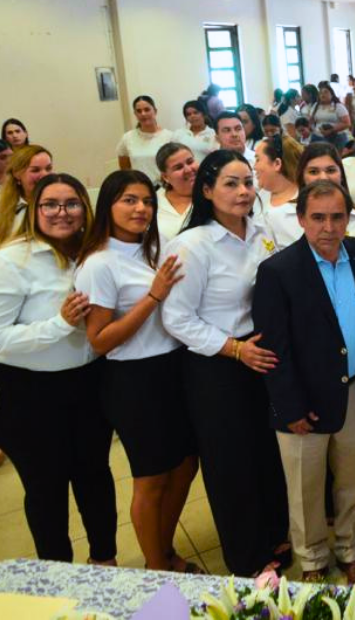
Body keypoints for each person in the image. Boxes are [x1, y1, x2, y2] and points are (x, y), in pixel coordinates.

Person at [161, 150, 290, 577]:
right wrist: (234, 349)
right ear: (207, 190)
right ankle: (248, 558)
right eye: (231, 183)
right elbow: (177, 318)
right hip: (216, 365)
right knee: (230, 462)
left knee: (265, 452)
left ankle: (274, 532)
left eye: (248, 182)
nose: (242, 192)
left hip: (261, 356)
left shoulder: (261, 232)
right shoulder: (192, 244)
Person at [254, 180, 355, 587]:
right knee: (306, 489)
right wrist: (289, 407)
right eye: (318, 217)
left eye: (337, 217)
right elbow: (274, 347)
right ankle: (312, 559)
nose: (328, 227)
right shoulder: (278, 271)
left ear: (350, 218)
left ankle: (351, 550)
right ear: (302, 219)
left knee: (352, 480)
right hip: (302, 402)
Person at [74, 171, 200, 574]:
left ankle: (164, 549)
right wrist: (154, 296)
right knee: (151, 478)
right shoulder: (99, 263)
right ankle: (156, 566)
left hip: (172, 367)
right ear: (108, 205)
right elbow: (101, 339)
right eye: (129, 200)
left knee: (185, 465)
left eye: (146, 200)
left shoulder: (150, 250)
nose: (141, 208)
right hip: (133, 379)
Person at [0, 174, 118, 566]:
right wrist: (59, 325)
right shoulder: (13, 259)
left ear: (86, 210)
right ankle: (58, 573)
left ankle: (104, 561)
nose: (61, 212)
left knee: (95, 478)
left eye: (72, 203)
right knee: (46, 490)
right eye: (50, 204)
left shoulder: (92, 253)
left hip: (88, 384)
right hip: (29, 394)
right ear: (34, 210)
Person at [253, 135, 304, 249]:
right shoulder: (261, 195)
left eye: (257, 159)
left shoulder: (305, 201)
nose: (254, 166)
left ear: (277, 164)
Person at [0, 144, 53, 243]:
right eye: (35, 170)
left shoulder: (61, 207)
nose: (45, 175)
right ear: (17, 174)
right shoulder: (4, 209)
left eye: (48, 168)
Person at [117, 96, 173, 182]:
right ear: (135, 114)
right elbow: (125, 168)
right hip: (138, 187)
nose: (143, 114)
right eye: (139, 111)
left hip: (164, 187)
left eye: (147, 110)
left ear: (155, 111)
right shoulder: (127, 137)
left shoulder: (169, 136)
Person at [154, 143, 198, 243]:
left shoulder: (213, 195)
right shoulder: (153, 201)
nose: (188, 169)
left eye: (190, 162)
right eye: (178, 167)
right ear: (165, 177)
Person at [309, 83, 352, 149]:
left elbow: (347, 123)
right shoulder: (315, 106)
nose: (323, 95)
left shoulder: (338, 106)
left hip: (336, 137)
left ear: (331, 94)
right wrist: (314, 130)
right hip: (318, 137)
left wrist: (331, 130)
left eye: (325, 92)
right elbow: (311, 121)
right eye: (320, 93)